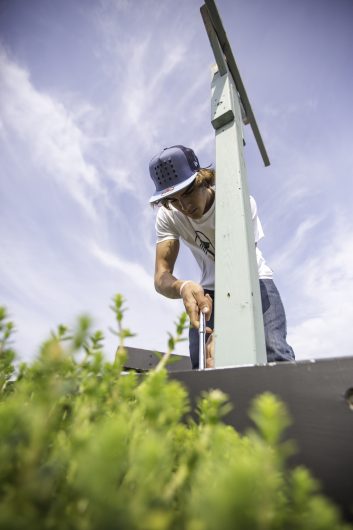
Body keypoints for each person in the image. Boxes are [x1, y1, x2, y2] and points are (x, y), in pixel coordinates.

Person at [149, 144, 295, 368]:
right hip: (209, 292)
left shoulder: (240, 202)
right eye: (173, 200)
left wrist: (223, 332)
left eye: (187, 191)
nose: (184, 206)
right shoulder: (168, 215)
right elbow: (161, 275)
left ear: (202, 179)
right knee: (203, 365)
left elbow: (239, 268)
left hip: (253, 279)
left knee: (274, 353)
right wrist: (182, 286)